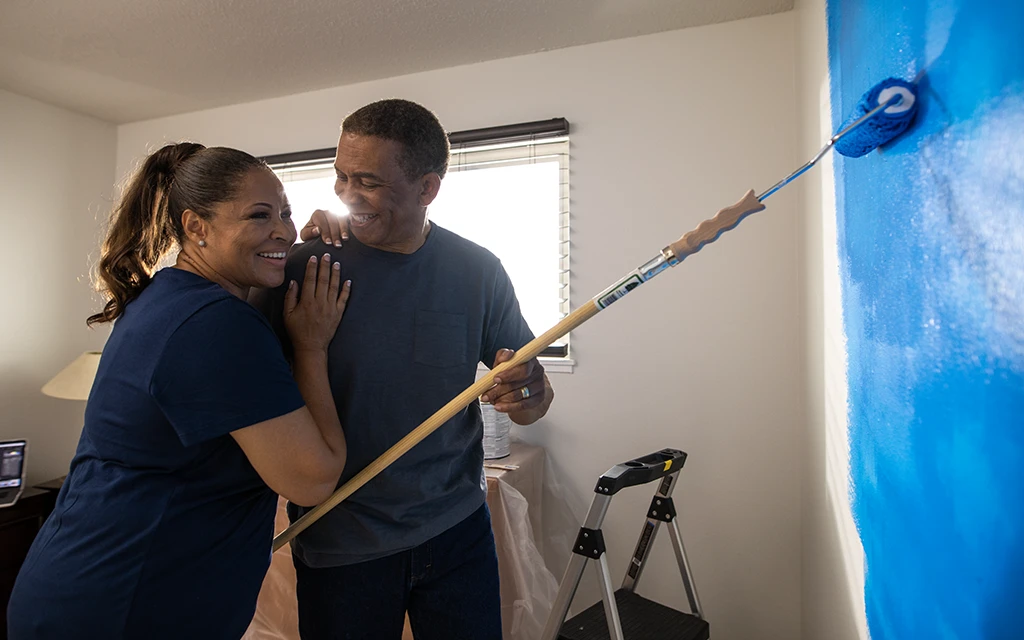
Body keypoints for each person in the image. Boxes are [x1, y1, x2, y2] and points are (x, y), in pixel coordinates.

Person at [7, 143, 351, 640]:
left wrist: (296, 245)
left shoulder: (167, 297)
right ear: (195, 227)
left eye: (286, 212)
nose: (284, 228)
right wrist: (312, 347)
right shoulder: (216, 325)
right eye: (258, 215)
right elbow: (313, 482)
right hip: (128, 604)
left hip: (81, 585)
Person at [254, 98, 555, 640]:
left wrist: (528, 392)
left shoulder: (478, 270)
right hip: (340, 540)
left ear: (428, 188)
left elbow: (531, 393)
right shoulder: (306, 265)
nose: (347, 195)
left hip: (457, 527)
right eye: (341, 176)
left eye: (368, 181)